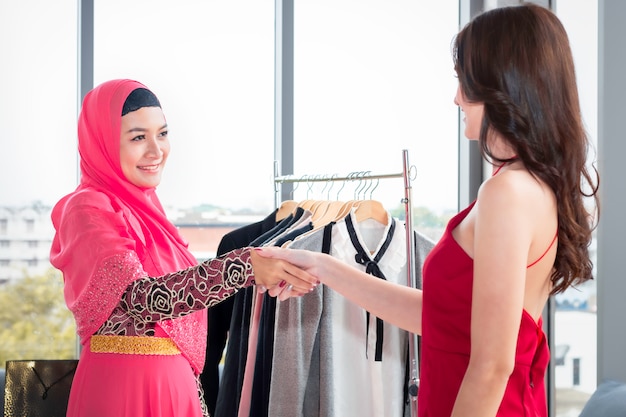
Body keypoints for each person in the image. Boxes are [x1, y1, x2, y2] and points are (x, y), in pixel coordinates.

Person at [258, 4, 599, 417]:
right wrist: (322, 265)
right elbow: (439, 320)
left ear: (503, 84)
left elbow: (492, 366)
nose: (456, 97)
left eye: (464, 82)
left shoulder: (506, 193)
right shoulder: (531, 186)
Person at [49, 78, 317, 417]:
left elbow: (179, 312)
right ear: (101, 142)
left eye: (162, 134)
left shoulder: (151, 215)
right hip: (124, 392)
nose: (156, 150)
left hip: (176, 391)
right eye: (137, 137)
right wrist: (244, 267)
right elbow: (142, 299)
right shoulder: (87, 208)